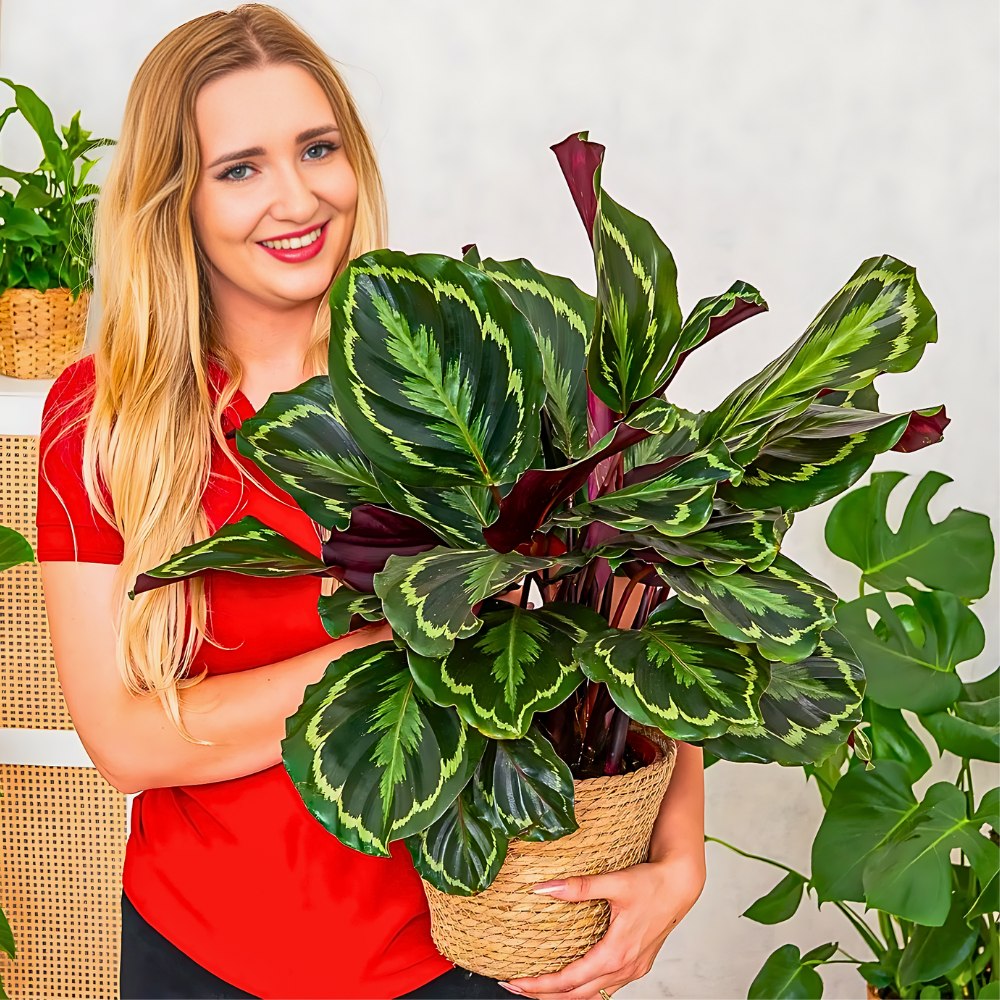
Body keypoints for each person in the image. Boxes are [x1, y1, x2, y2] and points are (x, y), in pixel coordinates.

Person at [35, 6, 707, 999]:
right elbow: (126, 742)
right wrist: (401, 643)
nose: (298, 196)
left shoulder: (459, 377)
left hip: (463, 951)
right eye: (241, 168)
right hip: (198, 957)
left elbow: (634, 618)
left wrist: (679, 857)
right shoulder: (106, 417)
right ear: (174, 200)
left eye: (318, 149)